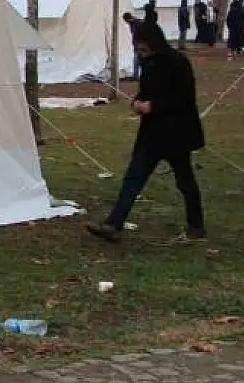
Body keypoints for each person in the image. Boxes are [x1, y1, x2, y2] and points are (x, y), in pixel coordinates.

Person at [86, 20, 205, 244]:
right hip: (152, 135)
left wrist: (153, 106)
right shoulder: (148, 63)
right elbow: (147, 91)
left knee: (185, 181)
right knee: (133, 178)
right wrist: (138, 101)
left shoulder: (178, 62)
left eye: (142, 44)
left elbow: (184, 97)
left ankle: (196, 225)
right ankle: (114, 224)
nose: (140, 49)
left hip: (176, 134)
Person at [123, 12, 143, 80]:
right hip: (137, 45)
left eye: (126, 21)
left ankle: (138, 76)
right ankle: (136, 76)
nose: (126, 22)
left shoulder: (138, 23)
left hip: (140, 45)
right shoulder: (132, 23)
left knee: (139, 61)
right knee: (136, 61)